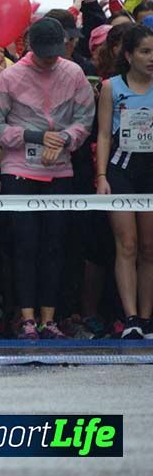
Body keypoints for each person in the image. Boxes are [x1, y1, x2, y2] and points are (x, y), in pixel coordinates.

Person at [0, 18, 95, 339]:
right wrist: (33, 136)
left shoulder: (73, 73)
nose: (49, 60)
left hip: (60, 170)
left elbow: (85, 118)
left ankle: (50, 318)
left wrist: (65, 138)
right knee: (24, 244)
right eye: (43, 54)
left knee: (54, 245)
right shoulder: (10, 77)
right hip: (20, 169)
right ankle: (27, 317)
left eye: (54, 53)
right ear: (30, 48)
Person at [95, 23, 153, 339]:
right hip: (121, 170)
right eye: (145, 52)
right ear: (128, 55)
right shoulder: (111, 87)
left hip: (150, 172)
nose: (151, 58)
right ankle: (130, 316)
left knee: (148, 246)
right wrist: (101, 175)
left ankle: (146, 317)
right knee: (126, 244)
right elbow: (103, 134)